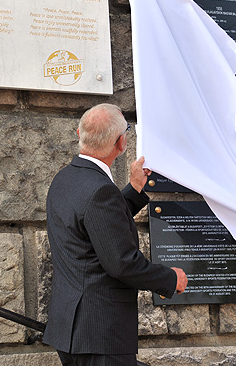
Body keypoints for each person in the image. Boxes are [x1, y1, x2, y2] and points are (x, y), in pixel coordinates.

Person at [44, 103, 188, 366]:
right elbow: (121, 263)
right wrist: (169, 278)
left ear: (80, 133)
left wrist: (132, 190)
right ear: (121, 143)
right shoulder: (100, 191)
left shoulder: (64, 179)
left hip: (71, 330)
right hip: (100, 332)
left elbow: (94, 225)